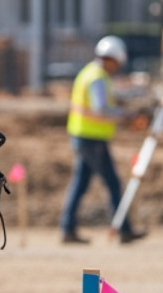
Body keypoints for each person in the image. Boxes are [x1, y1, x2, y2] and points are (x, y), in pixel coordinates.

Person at [60, 36, 144, 245]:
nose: (117, 67)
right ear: (111, 59)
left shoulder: (90, 73)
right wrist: (126, 115)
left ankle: (67, 229)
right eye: (116, 62)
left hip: (84, 136)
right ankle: (124, 229)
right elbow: (101, 109)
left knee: (80, 184)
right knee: (113, 183)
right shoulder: (97, 77)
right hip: (91, 139)